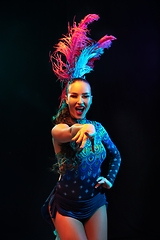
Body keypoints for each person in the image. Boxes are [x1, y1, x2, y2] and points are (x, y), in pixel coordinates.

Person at [41, 14, 121, 240]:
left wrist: (110, 179)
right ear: (67, 99)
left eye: (85, 96)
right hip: (66, 207)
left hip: (95, 203)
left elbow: (116, 155)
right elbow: (63, 133)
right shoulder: (60, 129)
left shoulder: (99, 128)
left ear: (91, 99)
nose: (80, 101)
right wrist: (80, 129)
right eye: (74, 96)